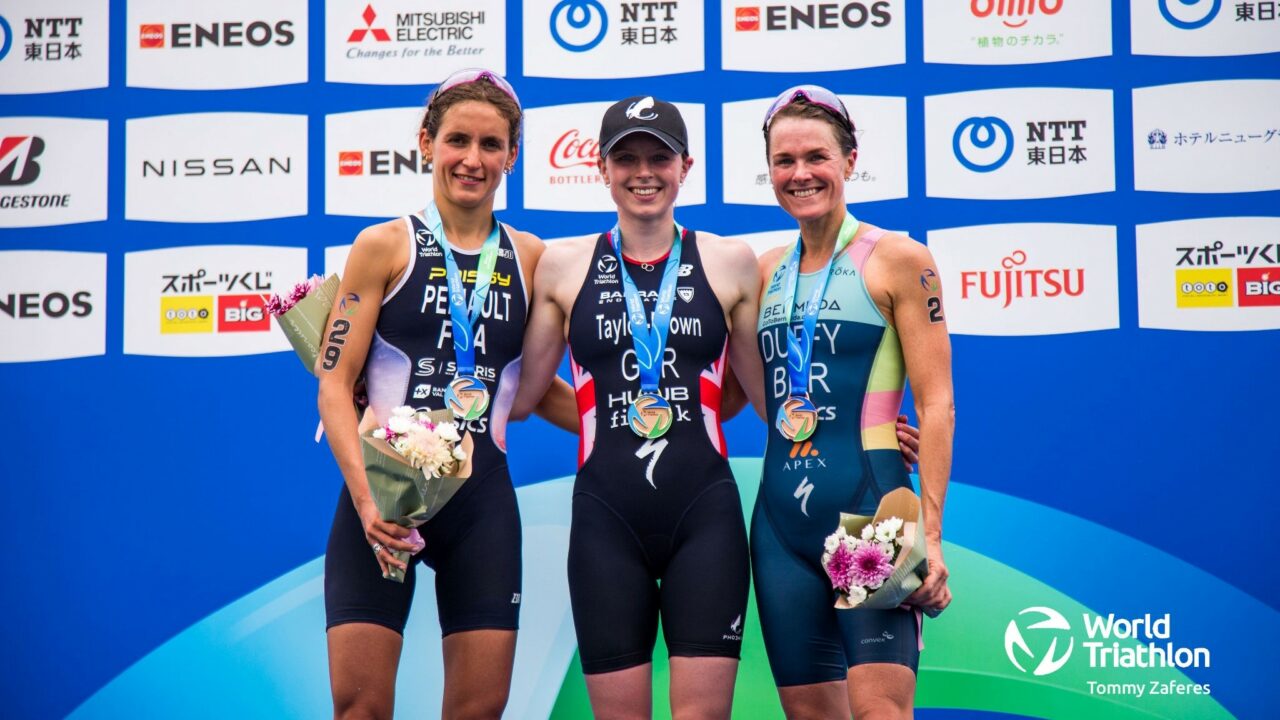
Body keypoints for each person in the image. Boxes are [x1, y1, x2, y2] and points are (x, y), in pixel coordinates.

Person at [316, 69, 575, 720]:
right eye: (458, 140)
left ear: (512, 156)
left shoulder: (533, 258)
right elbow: (333, 384)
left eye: (492, 145)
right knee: (360, 710)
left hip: (481, 505)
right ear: (426, 142)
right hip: (381, 499)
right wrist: (370, 501)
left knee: (477, 713)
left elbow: (540, 393)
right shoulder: (383, 247)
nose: (473, 159)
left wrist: (633, 425)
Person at [512, 96, 767, 720]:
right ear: (602, 167)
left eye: (659, 157)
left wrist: (866, 429)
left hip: (704, 516)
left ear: (687, 165)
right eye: (626, 158)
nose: (643, 172)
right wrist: (380, 394)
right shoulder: (562, 267)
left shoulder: (731, 262)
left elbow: (764, 393)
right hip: (606, 519)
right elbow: (518, 397)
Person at [751, 85, 955, 719]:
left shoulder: (897, 258)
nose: (800, 173)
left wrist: (934, 535)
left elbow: (939, 402)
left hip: (873, 512)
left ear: (850, 160)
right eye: (784, 161)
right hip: (779, 526)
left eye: (816, 156)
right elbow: (767, 397)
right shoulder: (762, 271)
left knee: (881, 712)